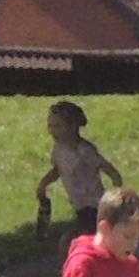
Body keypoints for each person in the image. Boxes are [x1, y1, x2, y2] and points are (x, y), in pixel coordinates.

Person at [32, 99, 116, 235]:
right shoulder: (58, 150)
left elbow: (104, 165)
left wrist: (117, 184)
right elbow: (57, 170)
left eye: (58, 126)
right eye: (50, 126)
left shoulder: (83, 150)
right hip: (78, 204)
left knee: (80, 236)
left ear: (73, 126)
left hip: (93, 203)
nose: (53, 131)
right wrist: (43, 184)